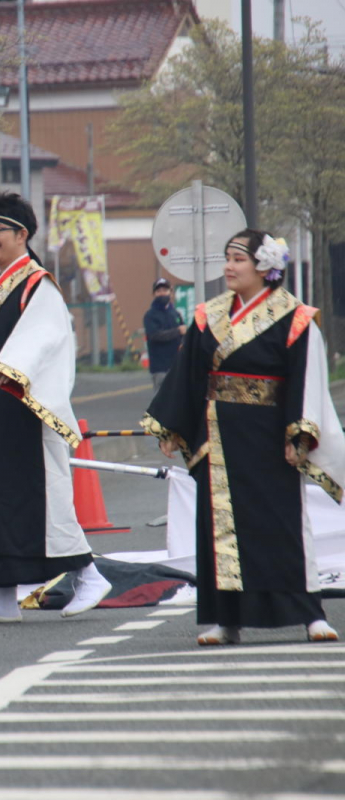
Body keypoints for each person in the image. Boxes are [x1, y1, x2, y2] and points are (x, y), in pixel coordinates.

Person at [143, 230, 343, 645]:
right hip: (218, 437)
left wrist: (299, 433)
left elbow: (306, 379)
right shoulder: (209, 315)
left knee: (281, 526)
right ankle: (226, 619)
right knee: (220, 530)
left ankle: (309, 614)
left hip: (271, 437)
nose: (229, 267)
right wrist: (172, 425)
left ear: (263, 267)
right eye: (228, 259)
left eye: (238, 260)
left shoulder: (294, 317)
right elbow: (188, 374)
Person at [0, 192, 112, 624]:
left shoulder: (37, 283)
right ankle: (3, 595)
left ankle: (88, 573)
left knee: (42, 497)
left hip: (22, 404)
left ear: (21, 234)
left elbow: (44, 339)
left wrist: (9, 373)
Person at [144, 277, 185, 392]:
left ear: (171, 293)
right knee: (162, 399)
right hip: (160, 368)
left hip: (177, 366)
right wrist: (177, 331)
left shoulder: (175, 314)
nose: (162, 293)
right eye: (159, 291)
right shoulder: (150, 315)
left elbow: (183, 336)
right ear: (154, 294)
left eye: (165, 290)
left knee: (179, 399)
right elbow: (155, 335)